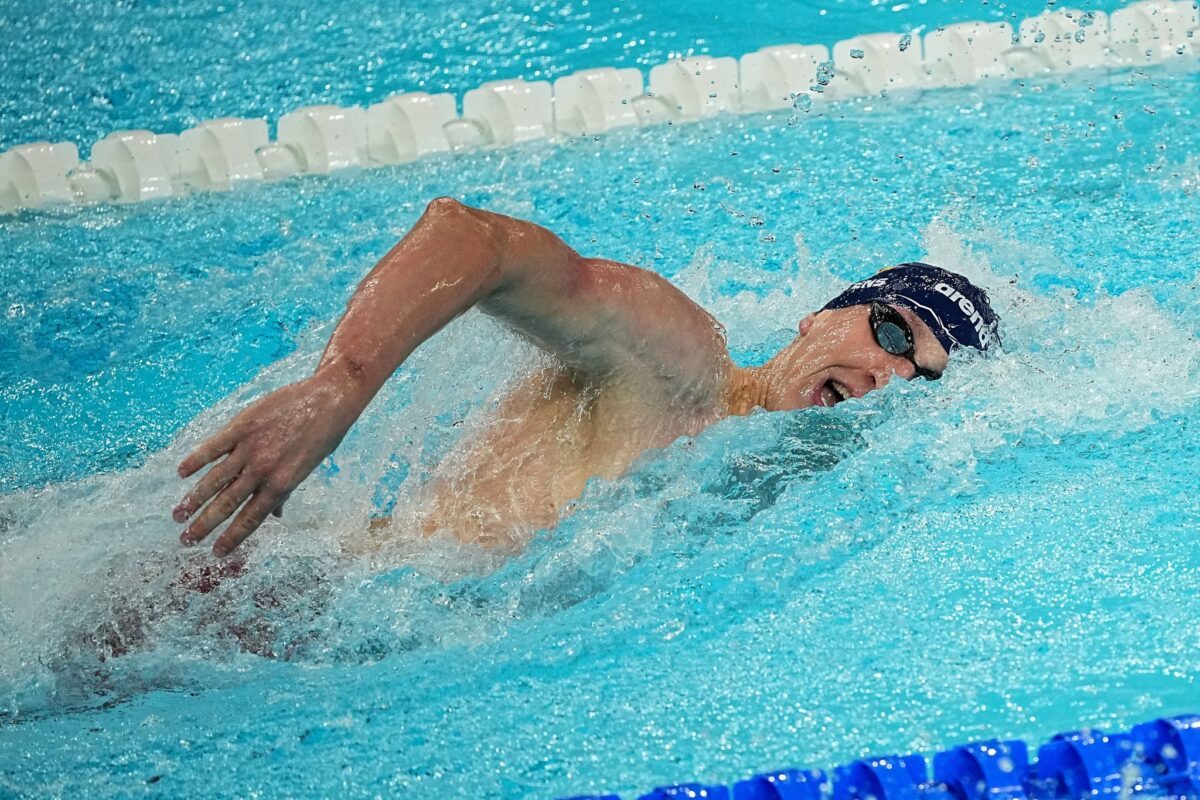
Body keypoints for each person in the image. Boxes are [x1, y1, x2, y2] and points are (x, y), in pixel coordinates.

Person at [173, 198, 1001, 557]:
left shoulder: (767, 496)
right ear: (818, 318)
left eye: (920, 377)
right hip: (244, 575)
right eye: (892, 329)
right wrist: (340, 384)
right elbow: (476, 241)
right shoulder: (681, 364)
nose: (890, 374)